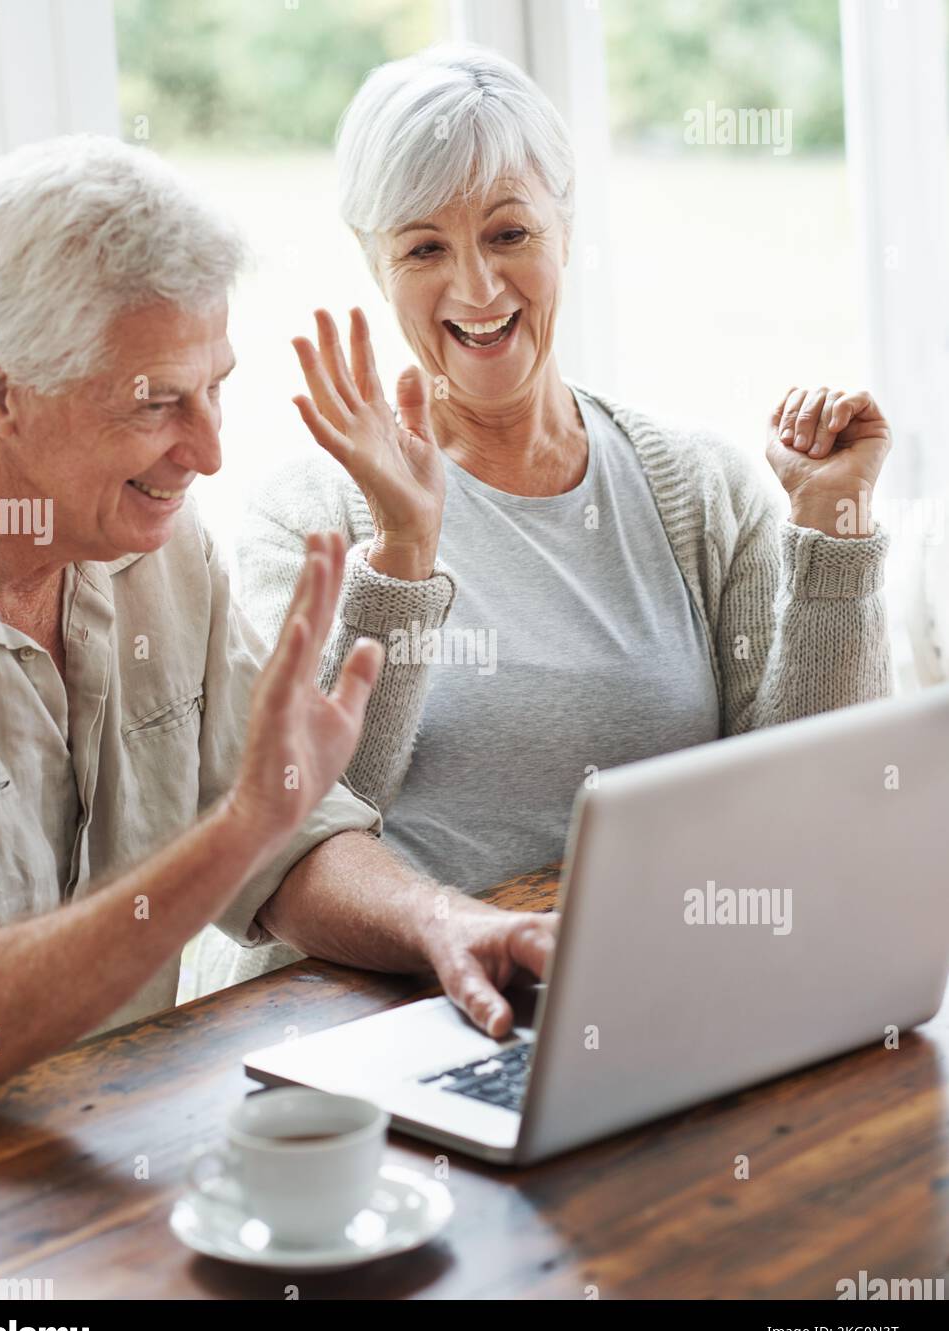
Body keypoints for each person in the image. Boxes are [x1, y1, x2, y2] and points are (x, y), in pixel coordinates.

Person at [197, 42, 892, 991]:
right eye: (425, 248)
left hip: (646, 993)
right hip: (367, 1016)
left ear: (566, 229)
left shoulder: (697, 489)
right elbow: (295, 831)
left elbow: (808, 804)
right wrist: (401, 557)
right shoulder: (306, 514)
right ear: (376, 264)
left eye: (510, 234)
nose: (477, 288)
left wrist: (829, 524)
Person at [0, 134, 556, 1119]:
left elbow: (288, 837)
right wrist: (239, 829)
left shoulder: (156, 550)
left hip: (106, 1145)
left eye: (216, 384)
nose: (210, 452)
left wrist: (441, 922)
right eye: (158, 405)